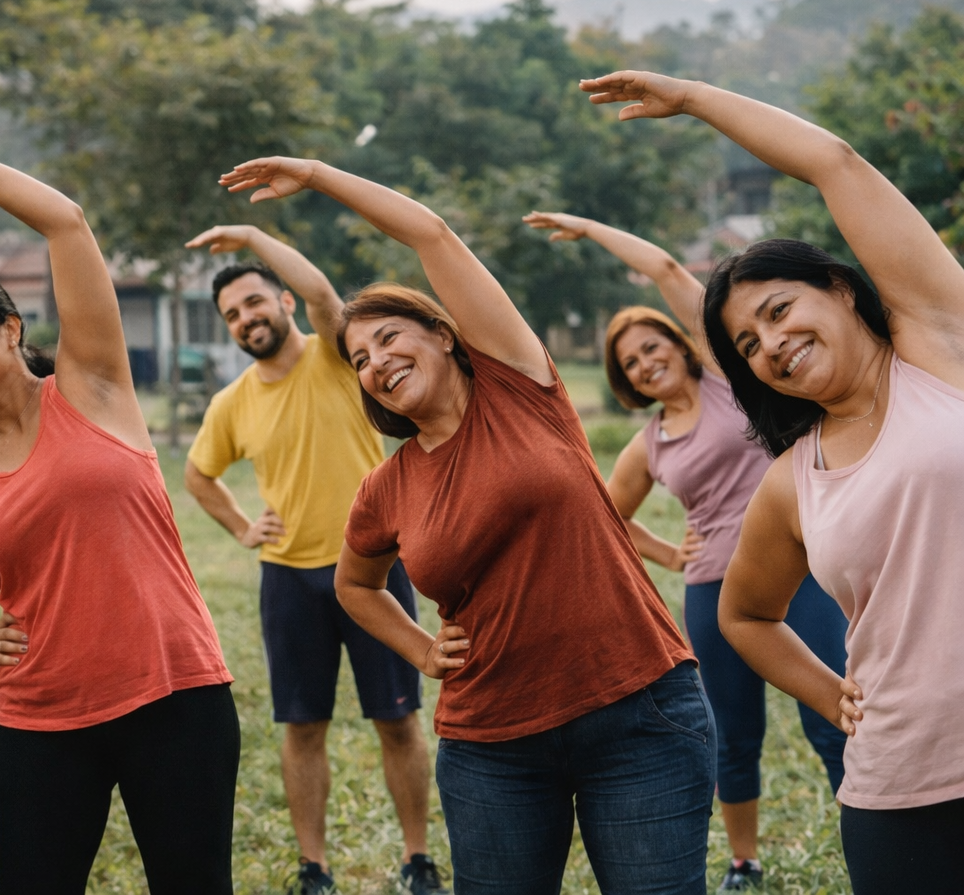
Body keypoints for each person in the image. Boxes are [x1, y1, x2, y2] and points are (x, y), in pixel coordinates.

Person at [218, 156, 714, 894]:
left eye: (390, 337)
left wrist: (318, 176)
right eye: (360, 358)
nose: (377, 362)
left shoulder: (522, 387)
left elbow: (433, 235)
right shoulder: (386, 488)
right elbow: (355, 586)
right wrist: (421, 649)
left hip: (638, 712)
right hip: (492, 747)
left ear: (444, 335)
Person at [580, 70, 964, 892]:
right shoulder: (794, 478)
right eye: (748, 345)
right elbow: (745, 615)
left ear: (839, 289)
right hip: (901, 786)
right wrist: (828, 695)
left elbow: (836, 164)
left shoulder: (939, 347)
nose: (771, 344)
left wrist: (694, 99)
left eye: (779, 311)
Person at [0, 133, 238, 895]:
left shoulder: (94, 388)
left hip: (175, 696)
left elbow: (65, 222)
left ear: (11, 328)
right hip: (40, 720)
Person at [524, 211, 850, 891]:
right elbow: (604, 516)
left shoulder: (730, 379)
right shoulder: (649, 444)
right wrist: (671, 555)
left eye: (652, 346)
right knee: (734, 734)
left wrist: (592, 229)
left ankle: (867, 836)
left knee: (835, 714)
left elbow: (669, 270)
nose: (647, 363)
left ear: (678, 342)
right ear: (627, 380)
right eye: (631, 362)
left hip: (802, 570)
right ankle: (743, 860)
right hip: (716, 593)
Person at [183, 225, 447, 895]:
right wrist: (243, 526)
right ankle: (313, 866)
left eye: (254, 301)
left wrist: (252, 236)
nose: (246, 319)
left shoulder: (335, 357)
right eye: (232, 314)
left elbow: (326, 295)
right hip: (289, 581)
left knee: (398, 719)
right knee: (302, 727)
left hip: (374, 571)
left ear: (283, 302)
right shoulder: (232, 403)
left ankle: (417, 857)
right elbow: (198, 475)